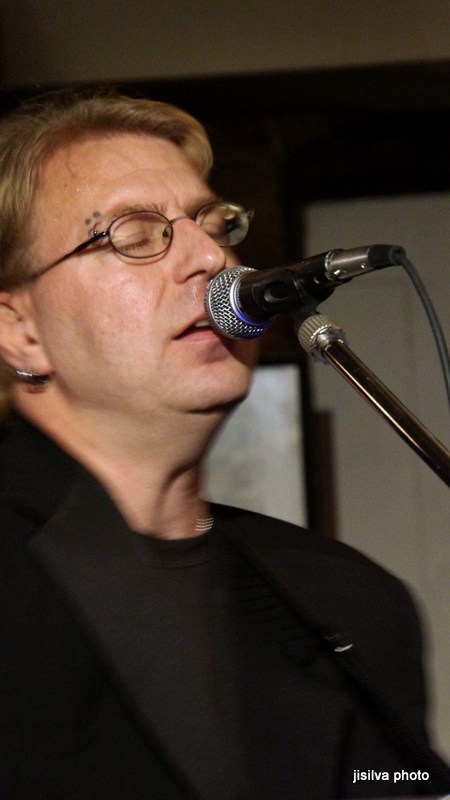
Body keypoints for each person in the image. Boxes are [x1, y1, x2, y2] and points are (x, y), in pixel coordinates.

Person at [0, 88, 448, 800]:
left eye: (215, 225)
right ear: (19, 330)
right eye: (134, 234)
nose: (212, 259)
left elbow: (393, 782)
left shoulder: (355, 602)